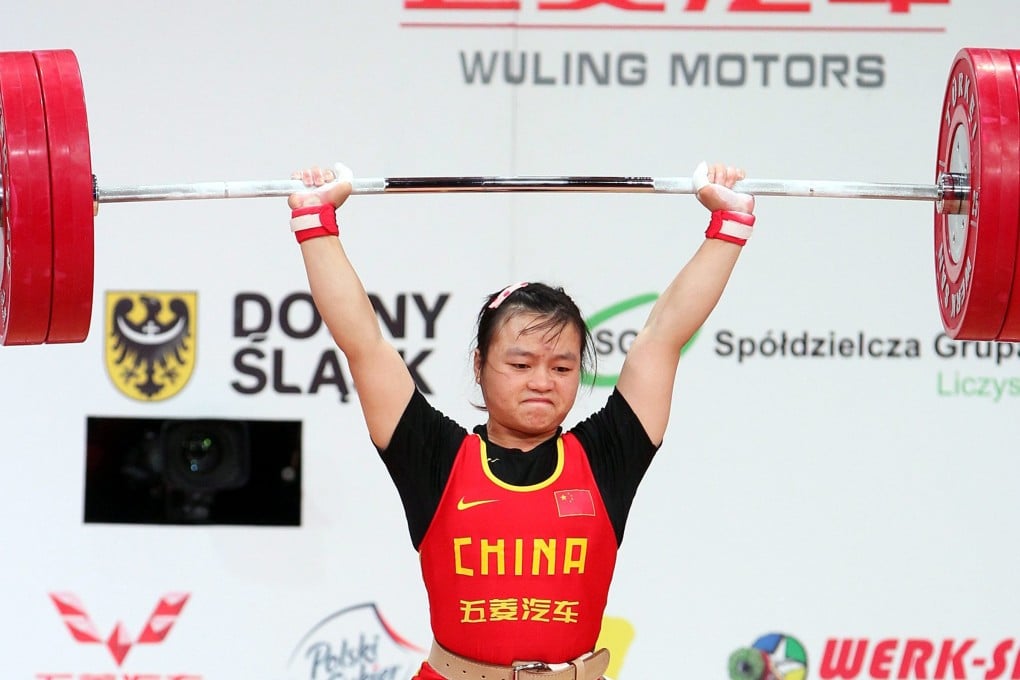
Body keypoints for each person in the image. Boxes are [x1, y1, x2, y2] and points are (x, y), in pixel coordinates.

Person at [287, 161, 756, 680]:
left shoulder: (607, 457)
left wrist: (728, 226)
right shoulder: (434, 457)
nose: (542, 381)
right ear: (479, 367)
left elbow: (664, 336)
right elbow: (364, 343)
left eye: (562, 367)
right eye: (519, 363)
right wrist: (316, 221)